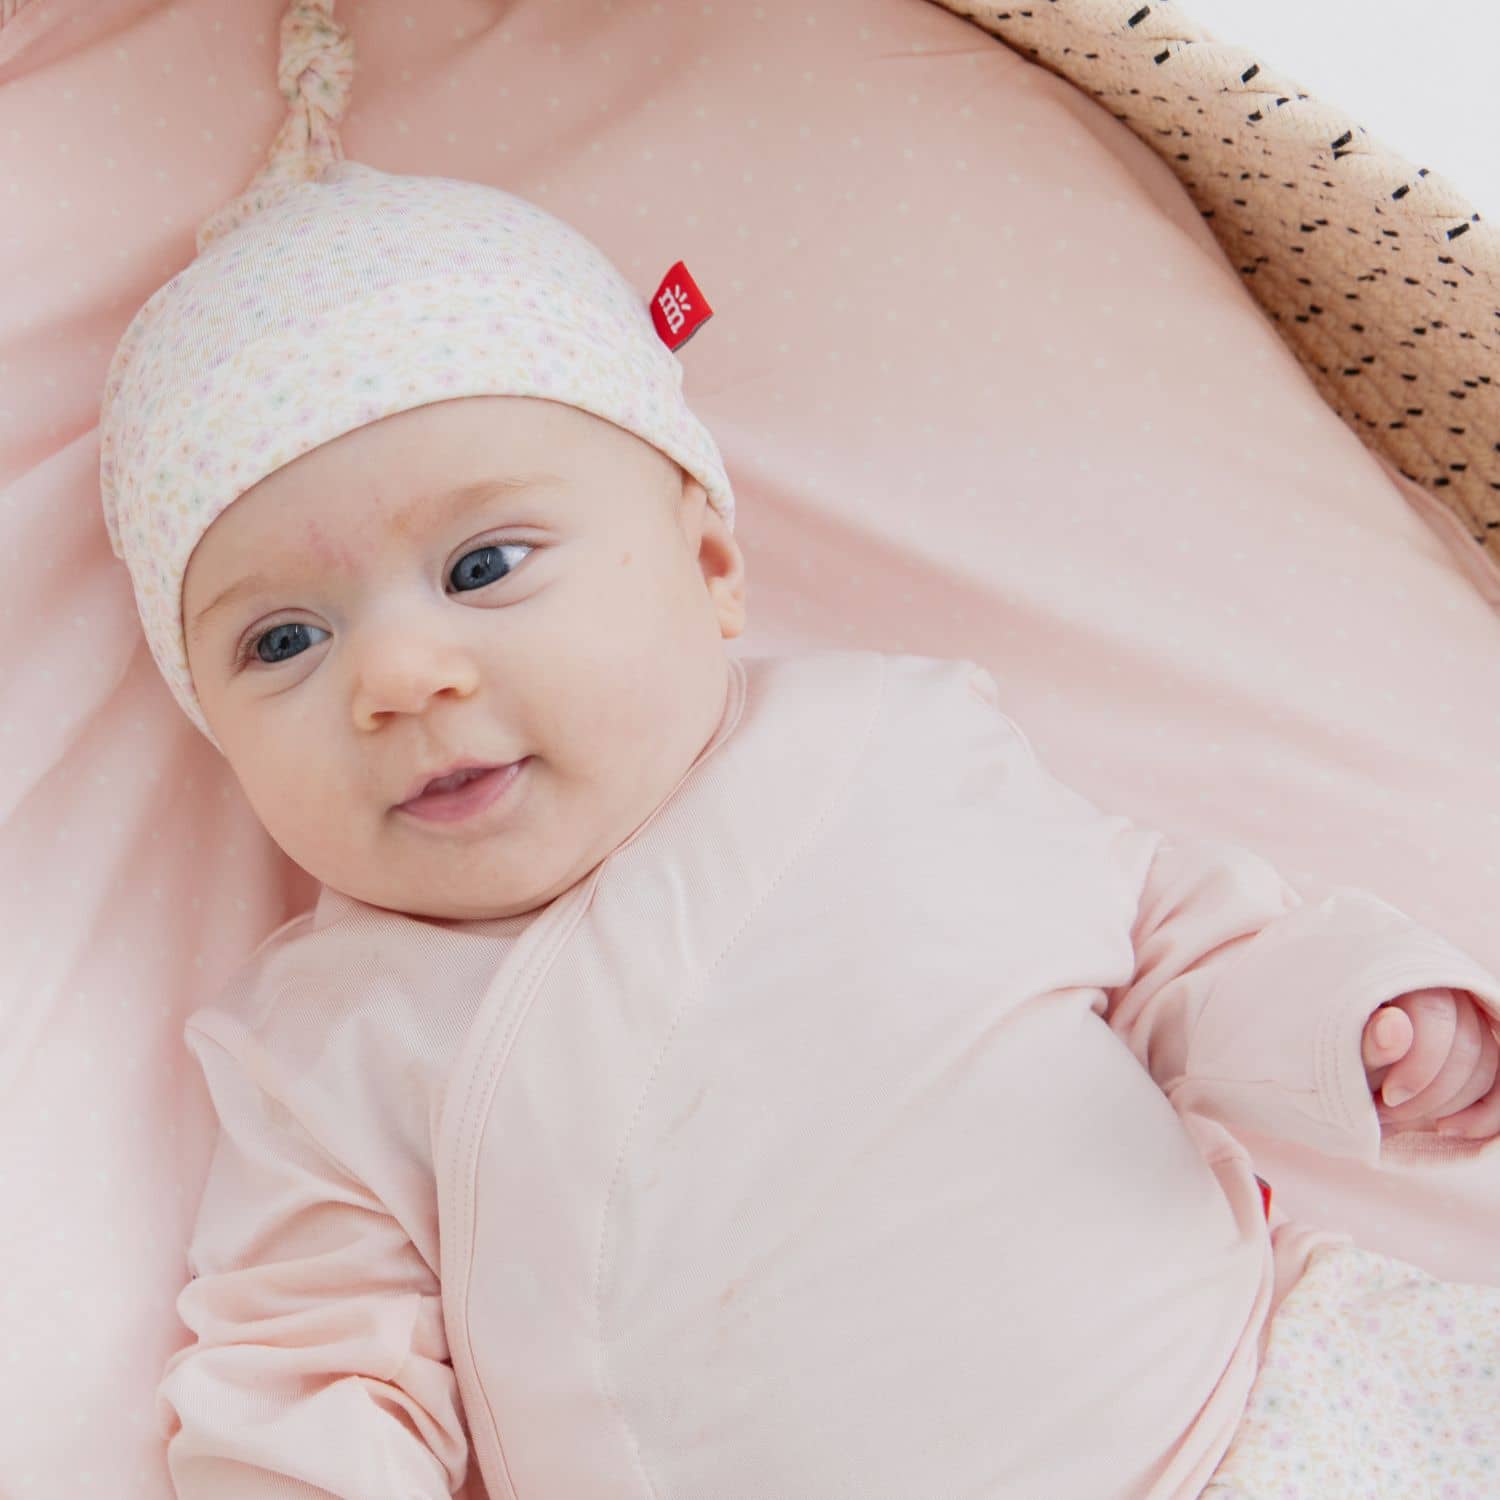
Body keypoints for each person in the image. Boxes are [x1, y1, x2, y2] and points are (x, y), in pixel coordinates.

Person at [98, 34, 1500, 1500]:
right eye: (282, 642)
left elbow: (1173, 951)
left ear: (710, 565)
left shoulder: (894, 743)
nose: (398, 677)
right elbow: (315, 1363)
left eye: (485, 565)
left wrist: (1352, 1020)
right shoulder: (327, 1039)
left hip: (1264, 1415)